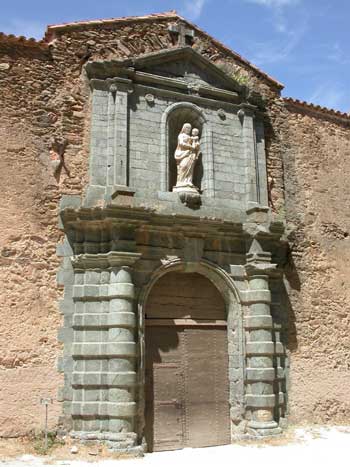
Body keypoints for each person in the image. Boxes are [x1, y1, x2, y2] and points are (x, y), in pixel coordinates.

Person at [174, 123, 200, 189]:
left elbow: (196, 146)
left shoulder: (191, 137)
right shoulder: (181, 135)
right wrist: (190, 147)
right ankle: (180, 182)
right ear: (184, 128)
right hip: (183, 153)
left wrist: (196, 145)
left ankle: (188, 181)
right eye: (187, 128)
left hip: (191, 154)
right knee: (183, 166)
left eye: (189, 128)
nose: (188, 129)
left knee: (190, 168)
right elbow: (181, 143)